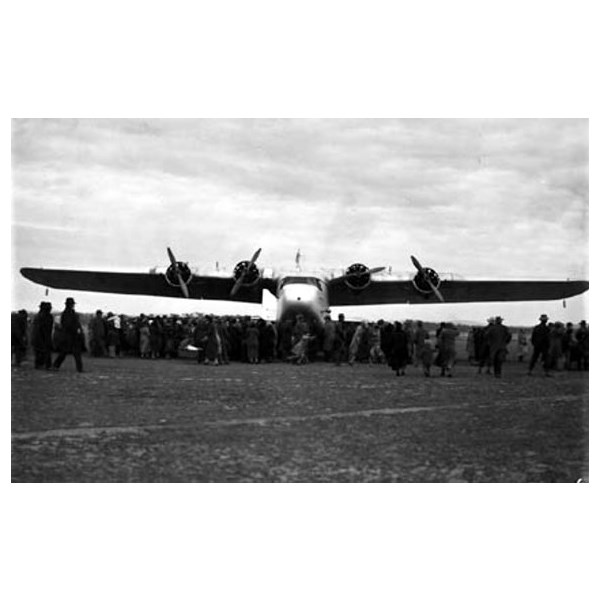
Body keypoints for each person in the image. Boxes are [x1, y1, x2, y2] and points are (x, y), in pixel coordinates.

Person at [52, 297, 84, 372]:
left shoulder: (67, 313)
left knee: (65, 352)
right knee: (73, 352)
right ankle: (79, 368)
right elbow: (69, 324)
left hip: (68, 335)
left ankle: (56, 365)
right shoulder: (69, 313)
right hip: (70, 335)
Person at [32, 301, 54, 369]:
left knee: (39, 351)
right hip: (43, 336)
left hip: (38, 337)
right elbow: (46, 329)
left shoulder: (38, 316)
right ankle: (46, 365)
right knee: (44, 351)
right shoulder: (47, 317)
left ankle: (40, 364)